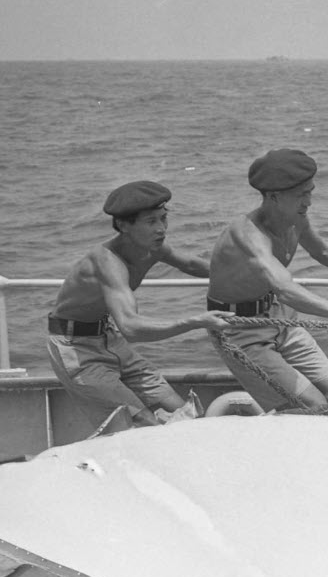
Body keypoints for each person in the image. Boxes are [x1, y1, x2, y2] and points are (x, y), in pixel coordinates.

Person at [206, 148, 328, 413]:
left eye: (310, 192)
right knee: (315, 406)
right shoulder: (248, 235)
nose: (309, 201)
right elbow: (285, 289)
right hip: (241, 330)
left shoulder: (294, 218)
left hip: (279, 317)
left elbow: (322, 250)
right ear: (274, 197)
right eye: (301, 195)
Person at [47, 180, 235, 429]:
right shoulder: (107, 263)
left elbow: (191, 264)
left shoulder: (152, 248)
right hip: (76, 349)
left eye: (163, 218)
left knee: (184, 413)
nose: (161, 229)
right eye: (151, 221)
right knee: (143, 424)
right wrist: (196, 321)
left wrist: (244, 275)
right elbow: (131, 328)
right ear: (123, 225)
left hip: (109, 338)